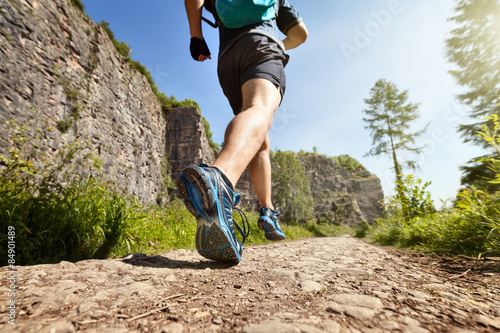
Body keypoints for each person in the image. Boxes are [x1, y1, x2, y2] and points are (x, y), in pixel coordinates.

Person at [178, 0, 308, 262]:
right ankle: (220, 180)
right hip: (262, 43)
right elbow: (300, 34)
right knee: (260, 109)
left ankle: (267, 209)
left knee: (257, 135)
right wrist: (279, 43)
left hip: (227, 58)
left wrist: (196, 37)